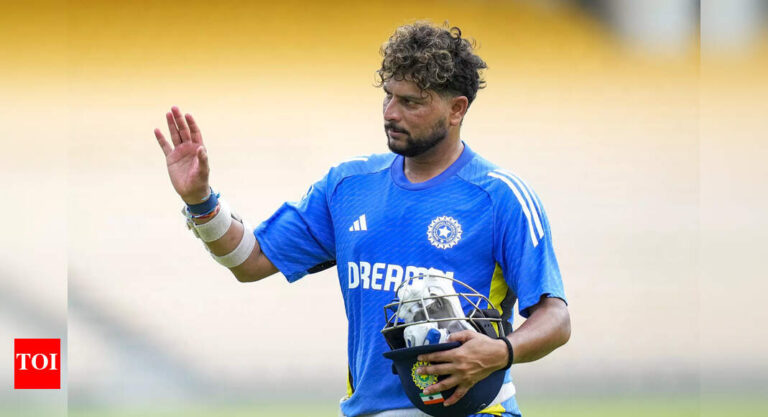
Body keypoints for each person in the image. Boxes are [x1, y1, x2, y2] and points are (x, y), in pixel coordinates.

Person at [154, 22, 570, 417]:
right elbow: (250, 260)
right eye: (388, 96)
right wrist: (201, 202)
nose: (390, 113)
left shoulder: (500, 197)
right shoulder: (348, 185)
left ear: (456, 109)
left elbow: (555, 317)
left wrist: (501, 351)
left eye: (410, 102)